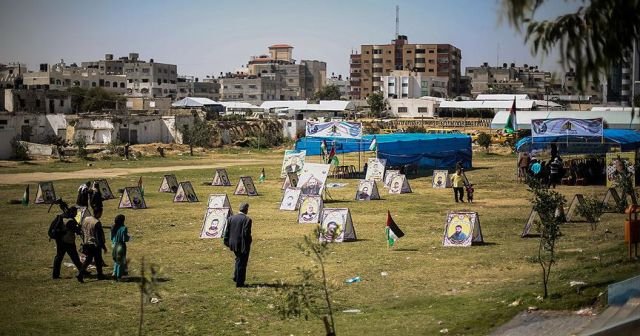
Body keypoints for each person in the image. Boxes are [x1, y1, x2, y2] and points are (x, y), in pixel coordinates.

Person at [224, 203, 253, 288]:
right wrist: (249, 242)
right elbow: (246, 234)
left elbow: (227, 231)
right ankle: (240, 282)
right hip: (242, 244)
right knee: (242, 263)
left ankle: (236, 277)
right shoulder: (247, 220)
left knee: (238, 260)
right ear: (246, 210)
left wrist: (227, 242)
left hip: (232, 243)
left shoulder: (231, 218)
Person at [52, 206, 84, 279]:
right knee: (74, 257)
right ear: (72, 212)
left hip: (61, 241)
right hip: (67, 242)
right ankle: (82, 271)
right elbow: (77, 231)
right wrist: (79, 227)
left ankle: (55, 275)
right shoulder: (70, 221)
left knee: (60, 257)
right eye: (75, 213)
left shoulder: (63, 217)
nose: (76, 215)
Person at [77, 215, 107, 283]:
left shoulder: (86, 219)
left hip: (87, 242)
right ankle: (100, 275)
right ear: (100, 212)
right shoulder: (96, 222)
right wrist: (103, 246)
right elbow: (98, 236)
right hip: (94, 244)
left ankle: (80, 274)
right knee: (98, 260)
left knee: (88, 260)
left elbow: (83, 230)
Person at [110, 214, 130, 281]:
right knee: (120, 262)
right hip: (120, 246)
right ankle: (119, 276)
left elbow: (111, 238)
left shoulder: (113, 227)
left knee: (116, 260)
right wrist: (129, 237)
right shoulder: (124, 228)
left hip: (114, 245)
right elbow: (124, 239)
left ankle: (114, 273)